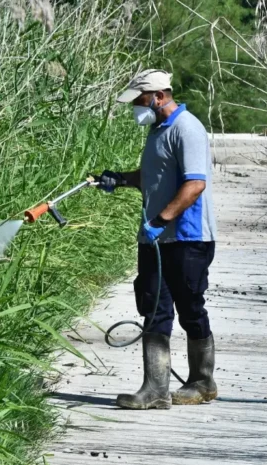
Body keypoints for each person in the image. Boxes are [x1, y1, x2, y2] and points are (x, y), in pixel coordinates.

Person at [97, 69, 217, 410]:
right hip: (154, 238)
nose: (136, 106)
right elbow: (153, 175)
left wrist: (160, 219)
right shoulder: (157, 131)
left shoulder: (187, 129)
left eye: (139, 100)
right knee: (152, 307)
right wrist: (119, 179)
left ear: (159, 97)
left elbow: (195, 184)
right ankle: (155, 390)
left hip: (188, 237)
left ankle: (202, 382)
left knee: (190, 307)